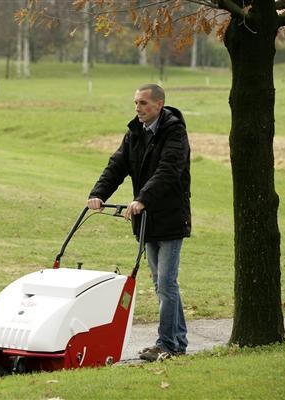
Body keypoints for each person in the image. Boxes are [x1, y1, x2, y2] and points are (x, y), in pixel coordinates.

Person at [87, 83, 191, 362]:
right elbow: (117, 166)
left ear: (159, 104)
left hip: (169, 216)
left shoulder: (175, 132)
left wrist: (142, 198)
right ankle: (178, 341)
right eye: (136, 103)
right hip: (147, 219)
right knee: (161, 284)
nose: (138, 108)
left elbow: (169, 170)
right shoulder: (135, 132)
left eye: (143, 103)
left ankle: (166, 344)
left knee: (166, 284)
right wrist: (98, 194)